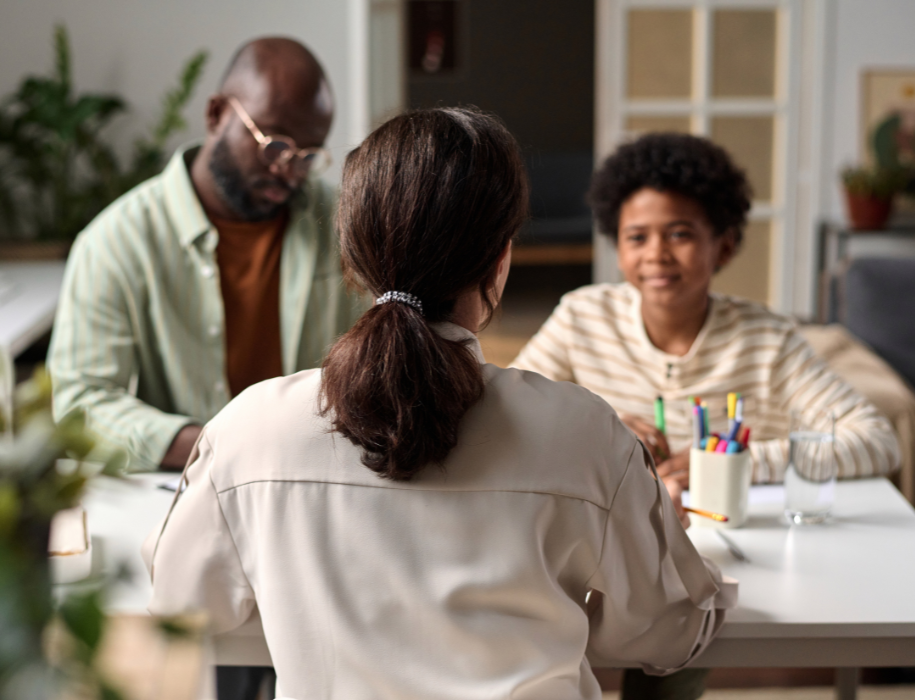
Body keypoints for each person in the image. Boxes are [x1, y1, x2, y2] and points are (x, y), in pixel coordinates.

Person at [144, 108, 736, 700]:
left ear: (352, 259)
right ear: (501, 261)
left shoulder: (252, 430)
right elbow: (667, 634)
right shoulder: (585, 434)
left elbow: (181, 601)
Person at [512, 132, 901, 699]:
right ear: (616, 247)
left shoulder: (766, 338)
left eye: (682, 234)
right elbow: (512, 411)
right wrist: (603, 423)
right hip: (598, 547)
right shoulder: (582, 316)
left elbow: (877, 440)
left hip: (717, 548)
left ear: (725, 244)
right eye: (637, 237)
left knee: (676, 629)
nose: (657, 255)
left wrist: (723, 463)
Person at [48, 38, 366, 472]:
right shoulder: (115, 241)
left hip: (323, 481)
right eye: (273, 144)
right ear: (217, 114)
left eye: (307, 156)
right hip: (187, 489)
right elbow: (79, 405)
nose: (286, 170)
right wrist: (212, 447)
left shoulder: (345, 223)